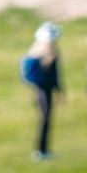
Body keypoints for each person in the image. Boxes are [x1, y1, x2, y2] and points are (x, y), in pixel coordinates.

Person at [21, 22, 64, 161]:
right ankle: (41, 150)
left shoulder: (36, 49)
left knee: (45, 119)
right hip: (44, 89)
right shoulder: (47, 51)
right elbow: (54, 74)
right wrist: (59, 90)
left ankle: (43, 149)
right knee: (45, 119)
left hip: (41, 88)